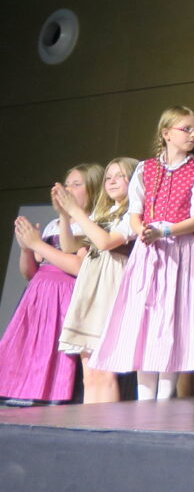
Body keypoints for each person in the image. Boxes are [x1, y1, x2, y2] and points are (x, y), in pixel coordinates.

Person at [91, 108, 194, 401]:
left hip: (177, 249)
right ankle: (144, 400)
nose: (193, 134)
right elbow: (135, 212)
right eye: (186, 129)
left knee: (171, 319)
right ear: (166, 133)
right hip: (148, 250)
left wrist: (164, 231)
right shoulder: (146, 168)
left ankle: (164, 401)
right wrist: (142, 231)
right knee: (145, 319)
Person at [0, 164, 101, 405]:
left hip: (63, 297)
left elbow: (78, 266)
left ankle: (51, 399)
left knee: (53, 349)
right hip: (37, 297)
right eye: (66, 184)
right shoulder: (53, 225)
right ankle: (21, 397)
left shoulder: (91, 223)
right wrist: (26, 248)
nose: (68, 189)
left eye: (76, 185)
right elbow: (31, 272)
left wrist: (37, 244)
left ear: (93, 190)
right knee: (27, 346)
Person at [56, 157, 139, 403]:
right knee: (89, 374)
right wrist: (64, 215)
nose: (111, 181)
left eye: (120, 176)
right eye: (108, 177)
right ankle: (89, 424)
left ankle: (105, 424)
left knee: (103, 372)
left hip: (111, 284)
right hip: (92, 285)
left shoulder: (133, 213)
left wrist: (75, 211)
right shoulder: (105, 213)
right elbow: (69, 245)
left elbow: (105, 242)